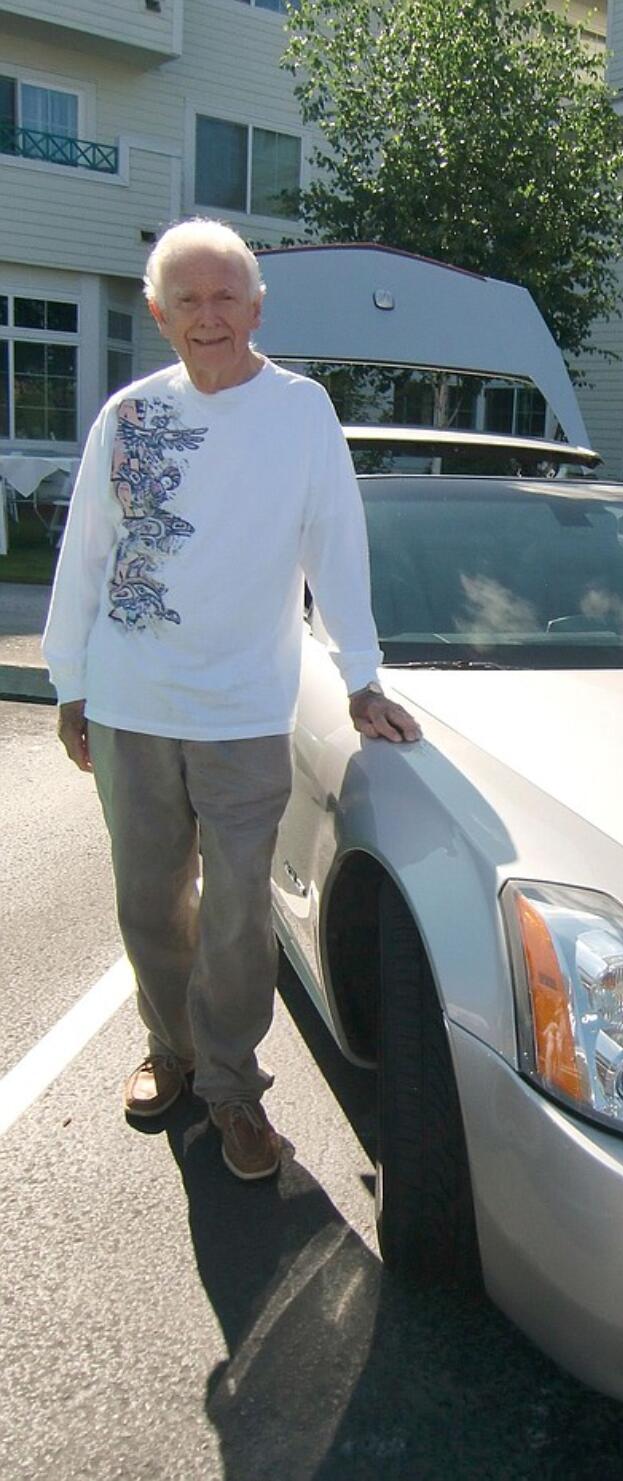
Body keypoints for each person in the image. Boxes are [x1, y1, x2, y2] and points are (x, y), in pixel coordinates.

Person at [42, 218, 420, 1181]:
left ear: (256, 306)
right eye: (187, 299)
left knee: (240, 913)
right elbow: (88, 552)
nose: (208, 316)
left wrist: (360, 674)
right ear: (158, 311)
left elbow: (335, 543)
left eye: (225, 297)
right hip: (131, 704)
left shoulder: (302, 413)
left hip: (246, 710)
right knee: (147, 900)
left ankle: (233, 1088)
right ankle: (172, 1051)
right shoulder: (128, 417)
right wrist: (71, 683)